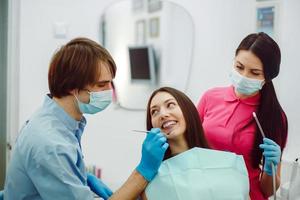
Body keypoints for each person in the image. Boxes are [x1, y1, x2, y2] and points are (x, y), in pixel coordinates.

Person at [4, 37, 168, 200]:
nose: (110, 91)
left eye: (110, 83)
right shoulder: (51, 144)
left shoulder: (56, 122)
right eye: (101, 85)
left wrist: (81, 177)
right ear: (71, 87)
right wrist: (143, 171)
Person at [197, 32, 288, 199]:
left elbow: (268, 190)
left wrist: (270, 168)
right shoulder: (210, 98)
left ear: (267, 78)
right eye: (239, 67)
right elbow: (188, 144)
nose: (244, 76)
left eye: (254, 72)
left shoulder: (274, 117)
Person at [141, 87, 250, 200]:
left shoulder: (229, 163)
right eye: (154, 111)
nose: (163, 114)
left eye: (170, 105)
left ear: (187, 109)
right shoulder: (151, 177)